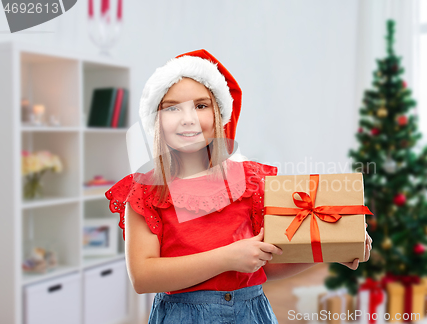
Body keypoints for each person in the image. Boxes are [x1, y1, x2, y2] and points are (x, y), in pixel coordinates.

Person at [105, 49, 373, 324]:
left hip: (251, 313)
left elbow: (264, 265)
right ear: (157, 120)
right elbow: (143, 276)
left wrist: (331, 250)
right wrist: (227, 258)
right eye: (173, 107)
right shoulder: (145, 190)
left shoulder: (250, 182)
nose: (188, 119)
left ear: (220, 115)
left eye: (201, 105)